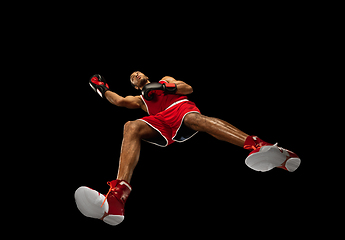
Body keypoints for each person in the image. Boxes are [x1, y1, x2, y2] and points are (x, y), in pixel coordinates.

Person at [75, 72, 301, 226]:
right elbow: (119, 101)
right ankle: (116, 200)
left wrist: (164, 85)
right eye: (133, 77)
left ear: (146, 76)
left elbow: (188, 88)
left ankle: (261, 146)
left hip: (180, 108)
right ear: (134, 85)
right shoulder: (140, 101)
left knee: (197, 120)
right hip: (162, 122)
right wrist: (101, 88)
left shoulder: (164, 80)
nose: (136, 75)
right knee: (130, 126)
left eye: (138, 73)